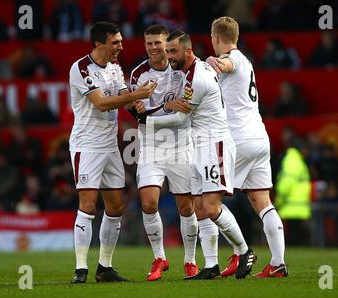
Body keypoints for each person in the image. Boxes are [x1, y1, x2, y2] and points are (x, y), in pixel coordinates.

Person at [134, 30, 254, 280]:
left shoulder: (196, 77)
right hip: (199, 145)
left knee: (210, 207)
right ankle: (210, 265)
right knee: (200, 207)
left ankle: (243, 251)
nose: (169, 56)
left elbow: (180, 117)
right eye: (167, 51)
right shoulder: (191, 71)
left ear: (187, 51)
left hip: (214, 144)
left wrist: (146, 120)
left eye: (172, 51)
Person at [68, 21, 156, 284]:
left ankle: (104, 267)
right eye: (115, 42)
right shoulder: (81, 68)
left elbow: (122, 98)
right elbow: (102, 103)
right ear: (99, 43)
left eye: (120, 41)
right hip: (87, 145)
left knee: (116, 207)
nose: (120, 46)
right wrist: (135, 95)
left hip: (109, 145)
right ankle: (80, 269)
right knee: (87, 205)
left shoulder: (116, 69)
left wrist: (138, 104)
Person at [206, 16, 287, 278]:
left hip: (238, 139)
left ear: (216, 37)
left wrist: (214, 63)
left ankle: (241, 252)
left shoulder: (234, 59)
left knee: (209, 201)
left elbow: (227, 65)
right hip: (259, 138)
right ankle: (277, 264)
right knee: (261, 200)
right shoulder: (248, 62)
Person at [129, 24, 199, 281]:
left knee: (186, 206)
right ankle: (159, 257)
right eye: (149, 44)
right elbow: (137, 112)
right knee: (148, 203)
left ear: (167, 44)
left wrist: (154, 109)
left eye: (158, 43)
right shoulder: (139, 73)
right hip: (150, 147)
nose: (154, 48)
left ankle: (190, 261)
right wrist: (165, 106)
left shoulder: (181, 71)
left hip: (181, 145)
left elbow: (183, 112)